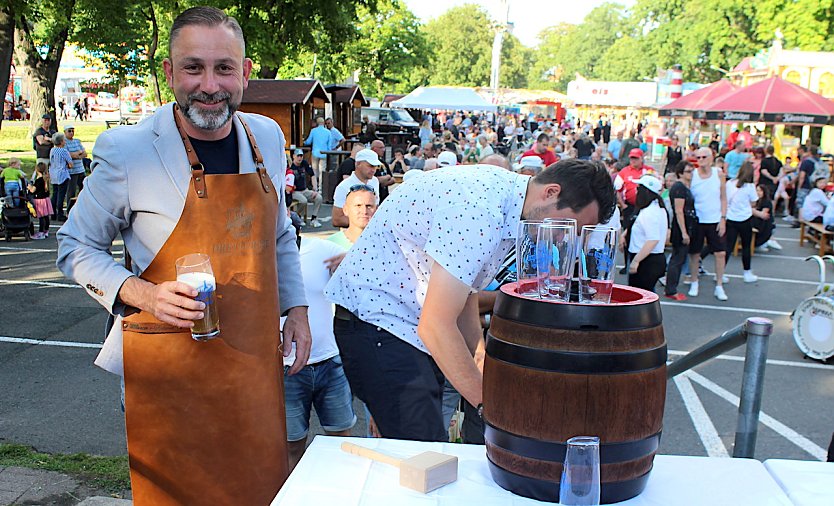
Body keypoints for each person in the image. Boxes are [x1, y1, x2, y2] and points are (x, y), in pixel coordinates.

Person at [55, 7, 311, 504]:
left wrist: (297, 309)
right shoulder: (126, 150)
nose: (209, 85)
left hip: (253, 364)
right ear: (170, 73)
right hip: (168, 368)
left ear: (246, 73)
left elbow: (279, 234)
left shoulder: (269, 137)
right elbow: (75, 246)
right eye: (193, 68)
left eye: (224, 68)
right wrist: (144, 294)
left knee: (258, 488)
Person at [325, 160, 616, 441]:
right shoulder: (480, 207)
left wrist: (480, 358)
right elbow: (436, 325)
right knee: (423, 453)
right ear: (550, 192)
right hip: (378, 323)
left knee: (425, 447)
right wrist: (491, 408)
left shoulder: (508, 204)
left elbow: (464, 294)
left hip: (399, 326)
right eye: (568, 225)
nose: (565, 239)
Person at [283, 235, 357, 472]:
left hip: (330, 363)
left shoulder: (320, 249)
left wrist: (353, 259)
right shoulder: (259, 256)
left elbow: (370, 262)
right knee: (292, 446)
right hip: (286, 368)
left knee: (341, 440)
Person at [688, 147, 728, 301]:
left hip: (715, 219)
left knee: (720, 253)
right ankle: (694, 281)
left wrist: (723, 218)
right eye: (698, 157)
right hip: (698, 219)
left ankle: (719, 285)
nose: (701, 160)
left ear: (712, 158)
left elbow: (723, 197)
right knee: (695, 253)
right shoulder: (693, 175)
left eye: (704, 157)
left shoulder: (718, 174)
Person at [627, 175, 668, 292]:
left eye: (638, 188)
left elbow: (653, 239)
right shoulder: (656, 208)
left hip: (647, 261)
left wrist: (636, 261)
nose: (636, 190)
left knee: (639, 296)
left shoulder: (650, 213)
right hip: (649, 259)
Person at [724, 161, 763, 283]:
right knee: (746, 246)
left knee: (728, 247)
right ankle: (747, 272)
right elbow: (754, 202)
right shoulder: (750, 187)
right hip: (745, 218)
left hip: (730, 217)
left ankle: (720, 272)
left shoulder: (730, 183)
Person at [665, 161, 697, 301]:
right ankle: (671, 289)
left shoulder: (684, 187)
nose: (691, 174)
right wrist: (684, 232)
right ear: (680, 173)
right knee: (677, 258)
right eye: (688, 171)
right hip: (681, 227)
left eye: (692, 171)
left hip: (686, 225)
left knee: (679, 258)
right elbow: (679, 211)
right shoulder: (679, 188)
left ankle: (671, 287)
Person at [331, 148, 381, 228]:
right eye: (370, 166)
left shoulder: (374, 181)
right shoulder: (343, 187)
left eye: (375, 166)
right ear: (358, 164)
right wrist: (366, 222)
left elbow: (376, 208)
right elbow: (337, 220)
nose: (373, 170)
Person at [289, 149, 322, 227]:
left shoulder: (304, 163)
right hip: (294, 191)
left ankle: (313, 218)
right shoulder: (290, 166)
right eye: (298, 156)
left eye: (301, 156)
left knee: (319, 198)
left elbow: (312, 175)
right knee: (304, 201)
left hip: (304, 190)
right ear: (293, 156)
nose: (300, 158)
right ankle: (295, 217)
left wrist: (315, 189)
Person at [63, 124, 87, 214]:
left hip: (81, 169)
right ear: (64, 132)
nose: (71, 133)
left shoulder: (77, 141)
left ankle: (82, 207)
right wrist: (78, 153)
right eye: (69, 131)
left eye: (73, 130)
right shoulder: (64, 143)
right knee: (71, 192)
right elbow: (68, 155)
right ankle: (69, 210)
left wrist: (78, 154)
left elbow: (85, 154)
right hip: (71, 171)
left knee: (83, 189)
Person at [48, 132, 73, 221]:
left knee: (55, 193)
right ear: (61, 141)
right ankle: (60, 214)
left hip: (53, 173)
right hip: (62, 174)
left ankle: (53, 213)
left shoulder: (52, 150)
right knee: (61, 195)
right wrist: (68, 165)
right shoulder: (64, 151)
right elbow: (70, 164)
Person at [304, 117, 330, 191]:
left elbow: (308, 141)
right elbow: (329, 145)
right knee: (322, 170)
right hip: (324, 153)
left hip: (315, 153)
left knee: (314, 170)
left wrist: (304, 142)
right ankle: (321, 188)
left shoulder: (313, 131)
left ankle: (315, 187)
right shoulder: (328, 132)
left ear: (317, 123)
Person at [27, 162, 52, 239]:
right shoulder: (46, 178)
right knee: (46, 217)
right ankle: (46, 231)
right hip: (46, 199)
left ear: (37, 170)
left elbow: (33, 190)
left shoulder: (38, 180)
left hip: (40, 200)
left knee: (41, 217)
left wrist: (29, 187)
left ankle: (41, 232)